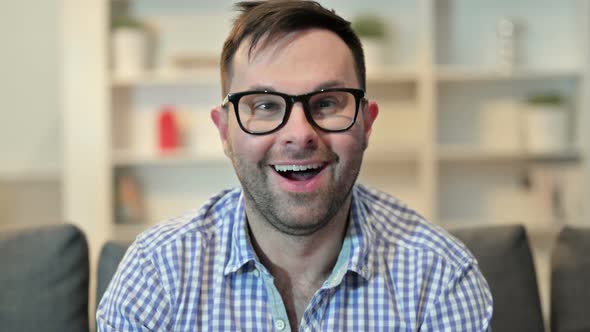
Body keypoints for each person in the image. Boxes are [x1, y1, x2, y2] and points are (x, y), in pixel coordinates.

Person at [97, 1, 493, 331]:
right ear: (224, 131)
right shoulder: (155, 277)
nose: (299, 134)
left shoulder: (439, 279)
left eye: (327, 103)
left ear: (367, 123)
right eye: (266, 106)